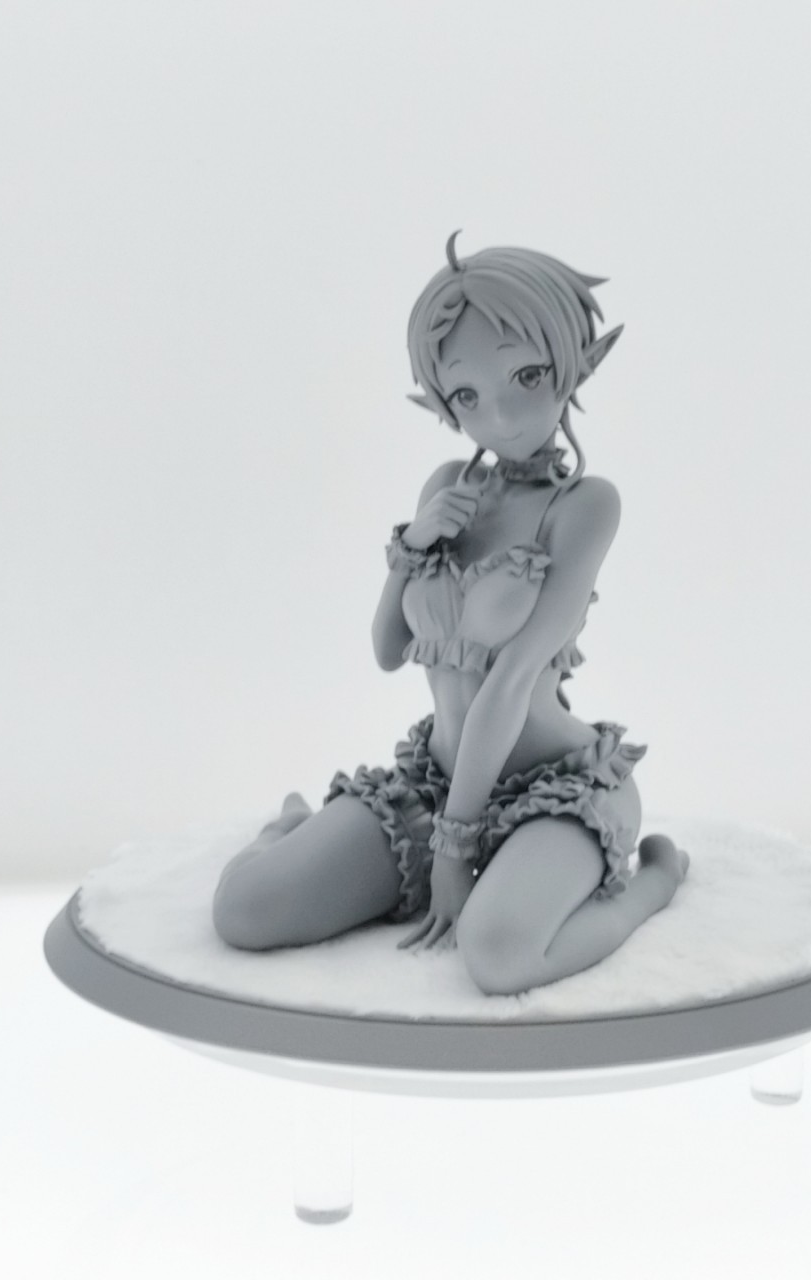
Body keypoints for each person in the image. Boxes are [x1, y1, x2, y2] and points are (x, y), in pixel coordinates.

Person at [212, 232, 688, 996]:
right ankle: (292, 825)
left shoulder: (584, 506)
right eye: (466, 396)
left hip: (556, 792)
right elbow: (387, 649)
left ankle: (653, 883)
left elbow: (512, 680)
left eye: (527, 376)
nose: (498, 414)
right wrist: (412, 546)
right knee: (244, 910)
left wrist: (456, 847)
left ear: (573, 361)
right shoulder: (444, 487)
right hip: (434, 784)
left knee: (497, 956)